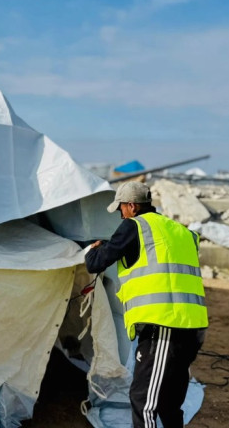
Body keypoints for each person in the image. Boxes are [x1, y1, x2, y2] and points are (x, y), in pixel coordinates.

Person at [85, 181, 208, 428]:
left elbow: (96, 263)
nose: (120, 214)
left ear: (132, 206)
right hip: (192, 326)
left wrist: (92, 249)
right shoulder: (180, 231)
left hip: (163, 326)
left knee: (144, 400)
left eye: (120, 208)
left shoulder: (135, 226)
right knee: (169, 402)